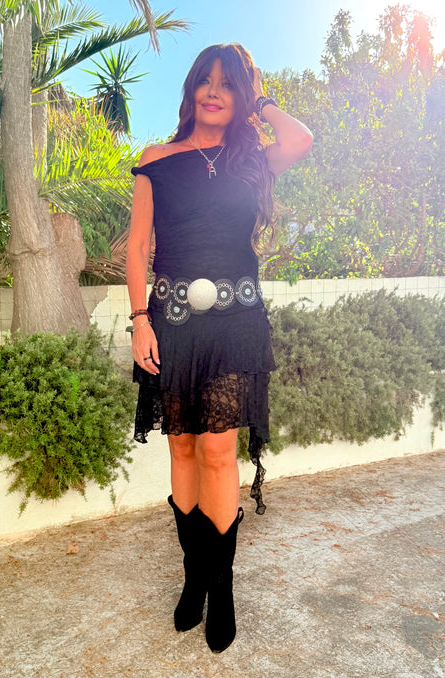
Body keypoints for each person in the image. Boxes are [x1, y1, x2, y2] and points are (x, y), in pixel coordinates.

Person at [126, 43, 313, 653]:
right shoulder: (156, 160)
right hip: (172, 322)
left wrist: (261, 101)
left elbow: (301, 138)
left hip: (236, 323)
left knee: (216, 449)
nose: (213, 91)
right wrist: (139, 320)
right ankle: (194, 577)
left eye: (227, 83)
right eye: (205, 81)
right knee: (181, 445)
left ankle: (222, 588)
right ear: (190, 90)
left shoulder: (252, 160)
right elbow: (138, 248)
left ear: (241, 95)